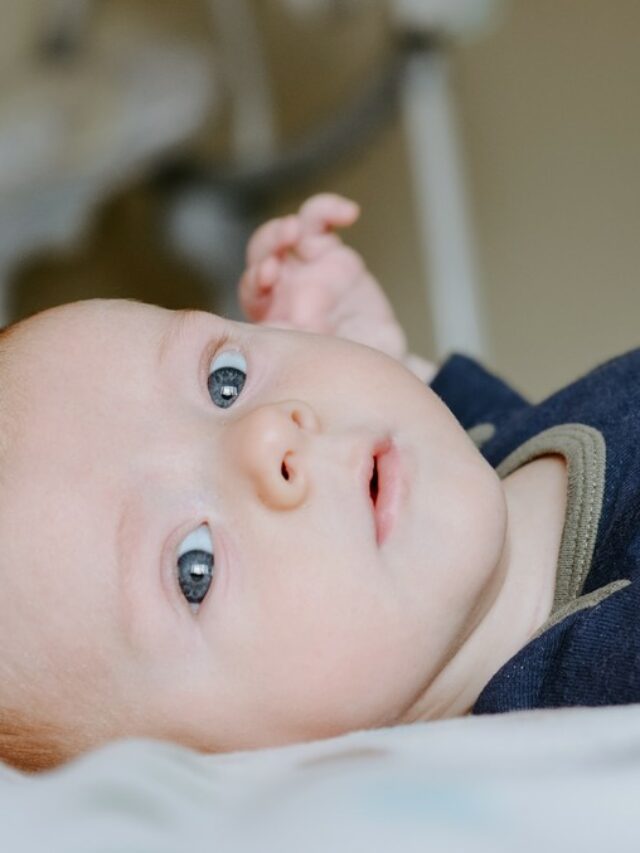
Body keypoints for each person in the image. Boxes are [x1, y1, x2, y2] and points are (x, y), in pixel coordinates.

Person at [0, 194, 634, 775]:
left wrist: (398, 365)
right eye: (197, 567)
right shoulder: (599, 700)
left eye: (227, 380)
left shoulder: (471, 479)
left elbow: (517, 450)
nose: (267, 435)